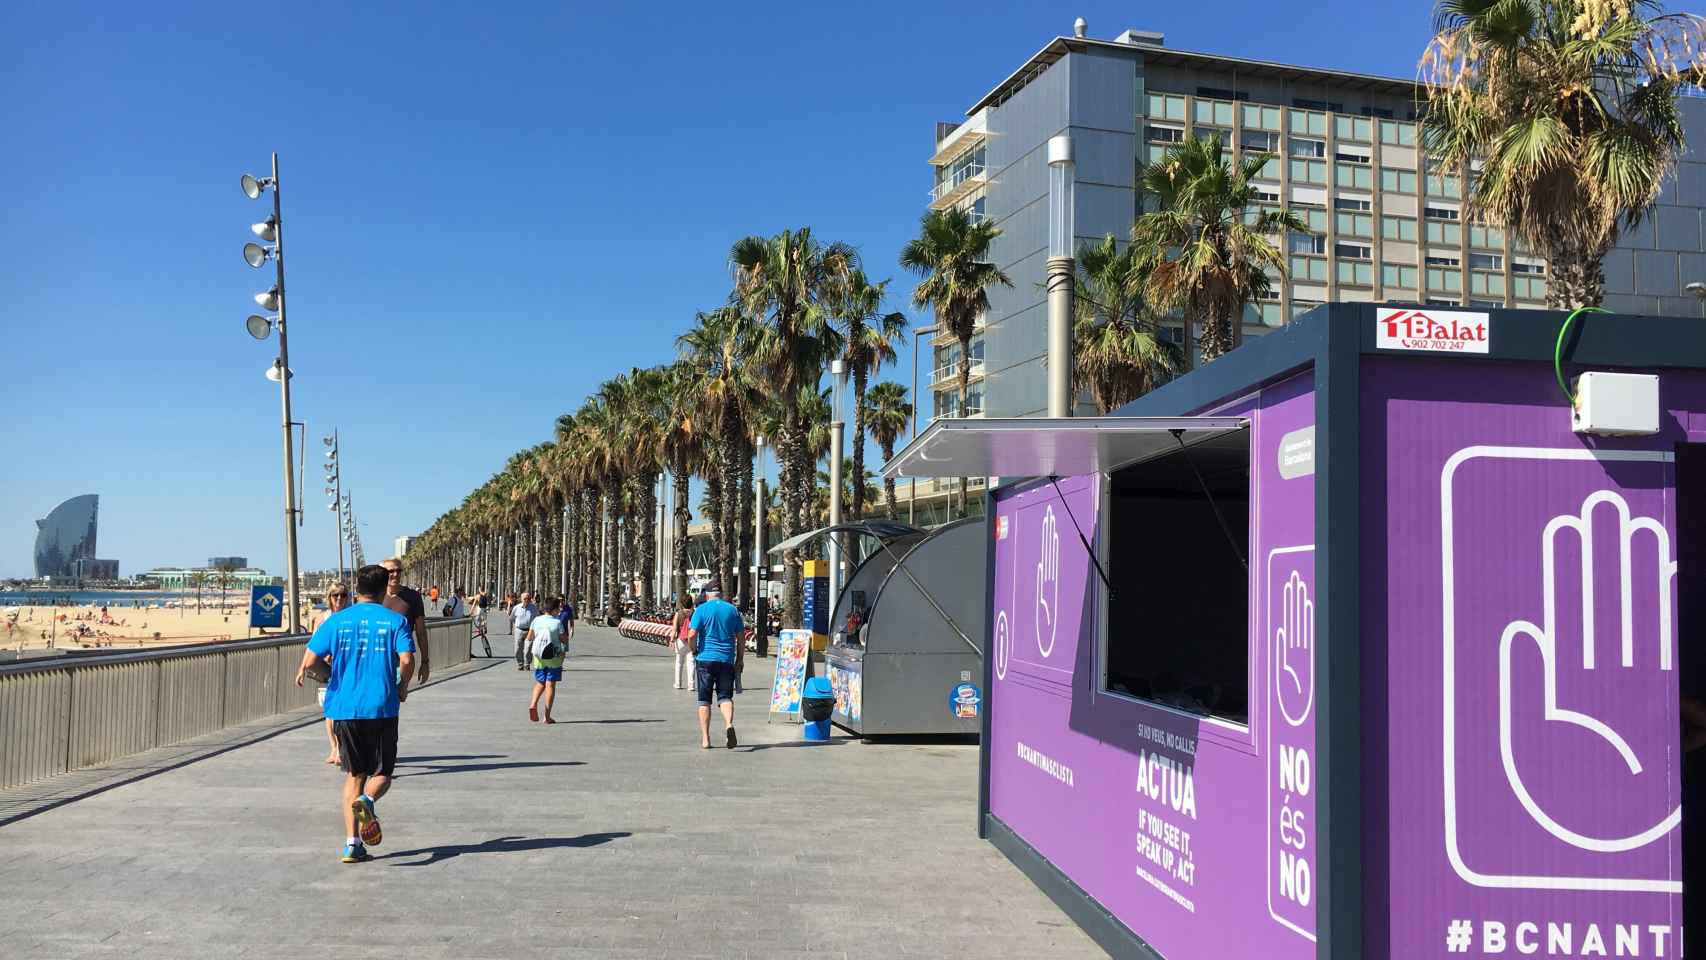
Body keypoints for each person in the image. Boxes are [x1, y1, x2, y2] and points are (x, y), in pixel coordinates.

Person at [295, 564, 415, 864]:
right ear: (382, 588)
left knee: (354, 775)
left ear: (357, 588)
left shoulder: (337, 621)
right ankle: (368, 801)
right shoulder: (395, 621)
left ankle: (352, 844)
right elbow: (407, 659)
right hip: (382, 706)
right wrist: (402, 686)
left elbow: (309, 661)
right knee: (383, 773)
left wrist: (331, 676)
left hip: (344, 708)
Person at [687, 582, 744, 749]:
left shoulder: (701, 610)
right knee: (725, 697)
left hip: (705, 659)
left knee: (704, 700)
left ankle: (706, 739)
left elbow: (691, 634)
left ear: (707, 595)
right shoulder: (733, 610)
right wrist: (739, 659)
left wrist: (694, 650)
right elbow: (741, 638)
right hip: (726, 659)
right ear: (721, 594)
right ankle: (728, 724)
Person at [381, 558, 431, 685]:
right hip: (377, 660)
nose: (396, 574)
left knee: (393, 699)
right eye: (391, 571)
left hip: (402, 662)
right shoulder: (376, 597)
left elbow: (421, 632)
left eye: (399, 570)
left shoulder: (413, 597)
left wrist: (425, 663)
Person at [318, 582, 351, 764]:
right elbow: (315, 645)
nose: (339, 599)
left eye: (343, 595)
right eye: (335, 595)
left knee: (344, 711)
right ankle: (334, 748)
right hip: (329, 670)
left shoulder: (351, 617)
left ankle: (344, 747)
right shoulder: (323, 618)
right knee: (330, 711)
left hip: (348, 669)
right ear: (329, 597)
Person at [527, 596, 567, 723]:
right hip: (553, 657)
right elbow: (564, 640)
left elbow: (529, 637)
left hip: (539, 656)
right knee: (550, 684)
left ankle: (533, 704)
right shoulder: (557, 622)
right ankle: (547, 716)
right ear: (554, 610)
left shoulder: (536, 620)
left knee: (540, 682)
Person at [670, 595, 695, 690]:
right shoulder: (694, 613)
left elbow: (674, 629)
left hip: (680, 640)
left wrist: (672, 640)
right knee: (691, 662)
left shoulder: (678, 613)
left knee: (679, 662)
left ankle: (678, 683)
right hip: (691, 639)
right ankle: (691, 684)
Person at [511, 591, 539, 671]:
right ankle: (520, 664)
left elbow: (537, 618)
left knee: (528, 648)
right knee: (517, 649)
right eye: (525, 599)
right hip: (519, 630)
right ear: (521, 599)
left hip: (530, 630)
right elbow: (512, 618)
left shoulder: (533, 608)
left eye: (528, 598)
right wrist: (516, 626)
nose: (527, 600)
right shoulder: (516, 608)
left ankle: (527, 664)